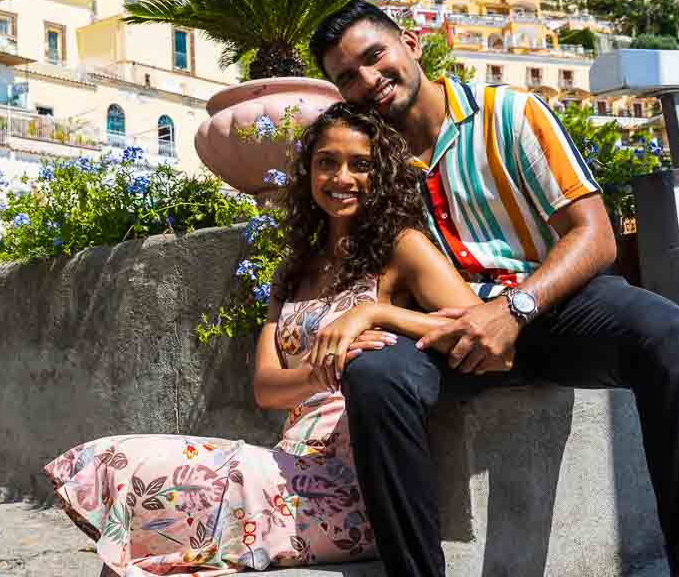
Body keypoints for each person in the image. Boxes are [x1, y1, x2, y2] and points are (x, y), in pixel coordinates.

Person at [307, 0, 679, 577]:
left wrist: (516, 308)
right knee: (376, 378)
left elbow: (595, 234)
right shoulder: (373, 167)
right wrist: (375, 316)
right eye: (347, 78)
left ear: (410, 41)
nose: (368, 81)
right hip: (450, 332)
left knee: (671, 334)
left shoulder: (509, 114)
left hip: (553, 308)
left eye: (374, 56)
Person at [44, 103, 486, 576]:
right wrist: (321, 370)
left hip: (357, 485)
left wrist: (375, 310)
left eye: (360, 164)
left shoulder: (403, 247)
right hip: (289, 464)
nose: (342, 177)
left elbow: (477, 325)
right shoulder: (293, 272)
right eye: (327, 162)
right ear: (309, 173)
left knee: (143, 470)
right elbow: (266, 387)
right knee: (126, 465)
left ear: (381, 174)